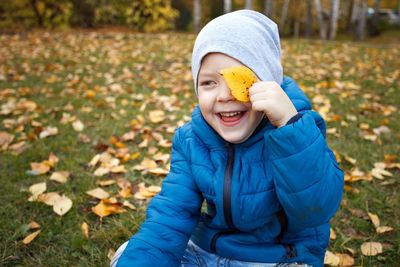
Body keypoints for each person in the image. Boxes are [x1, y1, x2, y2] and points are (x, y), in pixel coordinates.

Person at [112, 10, 344, 267]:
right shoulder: (192, 141)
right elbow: (171, 215)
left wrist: (289, 128)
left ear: (270, 85)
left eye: (240, 80)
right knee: (131, 253)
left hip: (277, 259)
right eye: (209, 83)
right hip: (206, 254)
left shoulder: (299, 130)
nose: (224, 96)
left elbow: (317, 209)